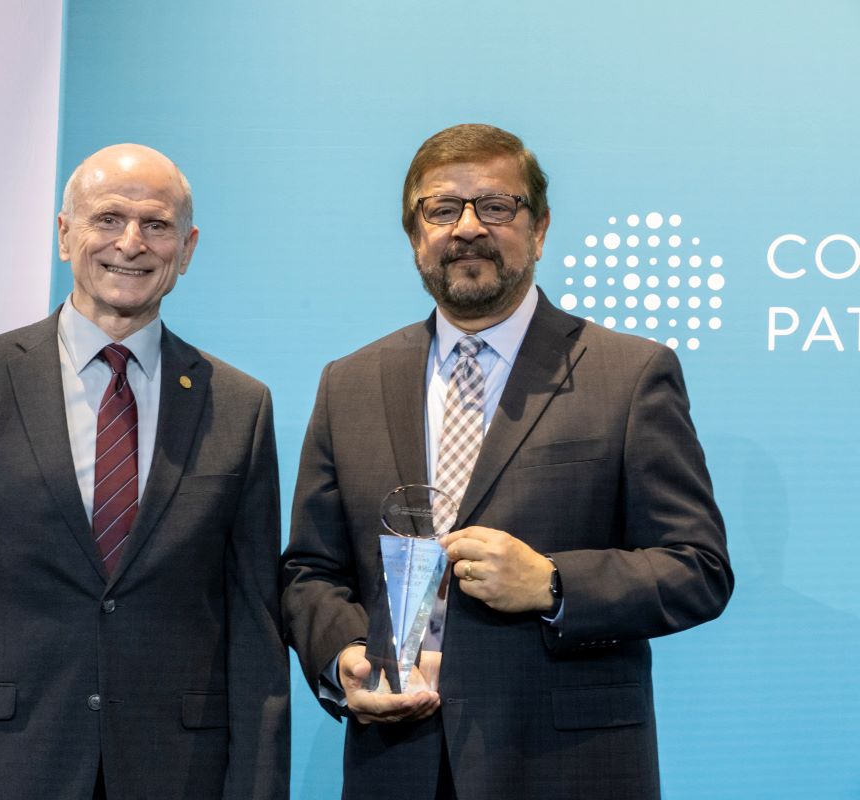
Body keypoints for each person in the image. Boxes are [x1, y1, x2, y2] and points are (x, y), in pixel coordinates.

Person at [281, 124, 732, 799]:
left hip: (565, 764)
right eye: (442, 210)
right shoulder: (349, 383)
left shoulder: (631, 375)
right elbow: (311, 571)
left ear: (540, 229)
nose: (468, 228)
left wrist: (554, 583)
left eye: (496, 206)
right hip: (395, 763)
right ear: (414, 237)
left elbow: (698, 568)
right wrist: (344, 657)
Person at [0, 144, 289, 800]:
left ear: (188, 247)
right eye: (107, 219)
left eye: (156, 224)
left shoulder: (240, 407)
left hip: (178, 776)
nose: (131, 242)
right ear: (65, 234)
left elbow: (257, 639)